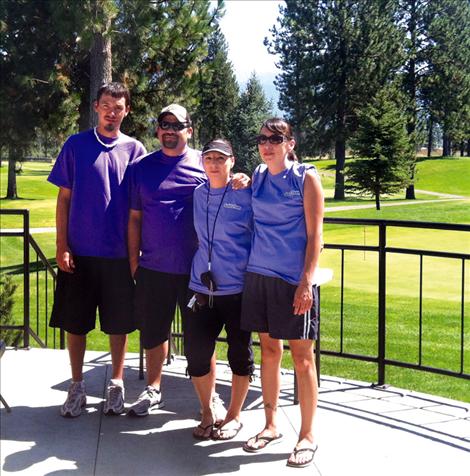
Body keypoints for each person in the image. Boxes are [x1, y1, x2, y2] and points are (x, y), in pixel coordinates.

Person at [128, 105, 248, 417]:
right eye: (164, 124)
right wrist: (133, 261)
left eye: (177, 125)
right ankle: (154, 389)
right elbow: (135, 218)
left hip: (196, 272)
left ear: (189, 130)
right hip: (153, 267)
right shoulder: (142, 167)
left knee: (201, 339)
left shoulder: (203, 161)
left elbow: (226, 182)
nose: (170, 130)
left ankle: (210, 400)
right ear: (157, 130)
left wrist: (241, 178)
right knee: (153, 333)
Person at [48, 82, 147, 418]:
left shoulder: (135, 150)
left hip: (120, 256)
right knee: (75, 325)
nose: (111, 112)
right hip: (80, 254)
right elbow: (63, 199)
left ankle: (116, 385)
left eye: (118, 107)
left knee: (118, 325)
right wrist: (62, 246)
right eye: (106, 105)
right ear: (96, 107)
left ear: (126, 111)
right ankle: (77, 387)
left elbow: (143, 205)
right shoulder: (75, 145)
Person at [240, 118, 324, 468]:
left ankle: (307, 435)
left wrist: (306, 281)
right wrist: (239, 179)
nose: (267, 144)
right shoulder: (257, 176)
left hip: (293, 281)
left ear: (290, 143)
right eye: (262, 139)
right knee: (270, 352)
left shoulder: (305, 178)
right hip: (259, 276)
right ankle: (271, 425)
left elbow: (316, 235)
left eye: (275, 139)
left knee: (302, 359)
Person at [185, 139, 254, 440]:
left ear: (232, 161)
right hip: (201, 289)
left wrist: (248, 179)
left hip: (237, 288)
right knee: (197, 356)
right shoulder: (198, 194)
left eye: (220, 158)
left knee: (240, 355)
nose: (214, 163)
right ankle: (207, 412)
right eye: (209, 158)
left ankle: (234, 416)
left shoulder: (245, 192)